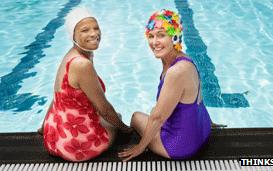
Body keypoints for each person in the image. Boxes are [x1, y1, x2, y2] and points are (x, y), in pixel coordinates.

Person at [119, 9, 217, 161]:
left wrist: (140, 147)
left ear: (175, 37)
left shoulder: (175, 72)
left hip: (181, 146)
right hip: (202, 131)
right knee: (155, 111)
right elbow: (199, 97)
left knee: (136, 117)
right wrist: (210, 123)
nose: (154, 42)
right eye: (151, 36)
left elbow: (157, 118)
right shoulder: (185, 60)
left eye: (161, 35)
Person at [39, 7, 131, 162]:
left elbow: (56, 96)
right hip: (75, 146)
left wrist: (43, 127)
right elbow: (105, 109)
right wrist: (126, 129)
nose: (94, 33)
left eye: (96, 28)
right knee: (117, 119)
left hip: (54, 136)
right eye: (85, 30)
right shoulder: (82, 64)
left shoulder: (71, 55)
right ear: (73, 35)